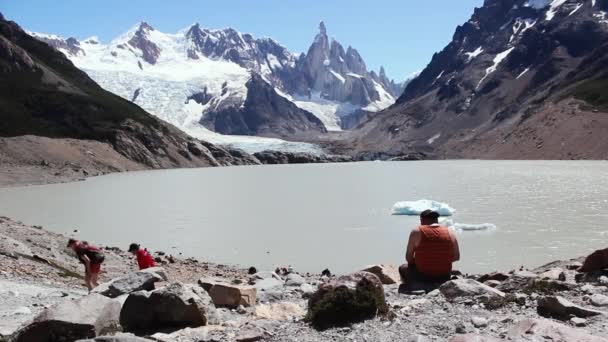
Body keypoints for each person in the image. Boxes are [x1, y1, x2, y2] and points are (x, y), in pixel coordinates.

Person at [399, 209, 460, 292]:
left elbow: (409, 258)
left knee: (402, 268)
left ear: (421, 220)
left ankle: (411, 286)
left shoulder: (416, 231)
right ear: (436, 220)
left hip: (423, 277)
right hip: (444, 276)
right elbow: (456, 257)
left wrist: (421, 262)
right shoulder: (450, 232)